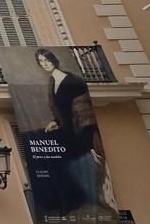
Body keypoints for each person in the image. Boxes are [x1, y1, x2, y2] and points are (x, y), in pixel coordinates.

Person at [35, 48, 109, 210]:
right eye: (41, 61)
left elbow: (85, 115)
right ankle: (58, 199)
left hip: (79, 135)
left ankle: (71, 200)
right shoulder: (53, 82)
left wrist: (90, 145)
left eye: (47, 60)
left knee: (49, 154)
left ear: (54, 60)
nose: (45, 64)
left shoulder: (73, 81)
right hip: (66, 131)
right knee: (33, 139)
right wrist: (55, 121)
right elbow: (63, 109)